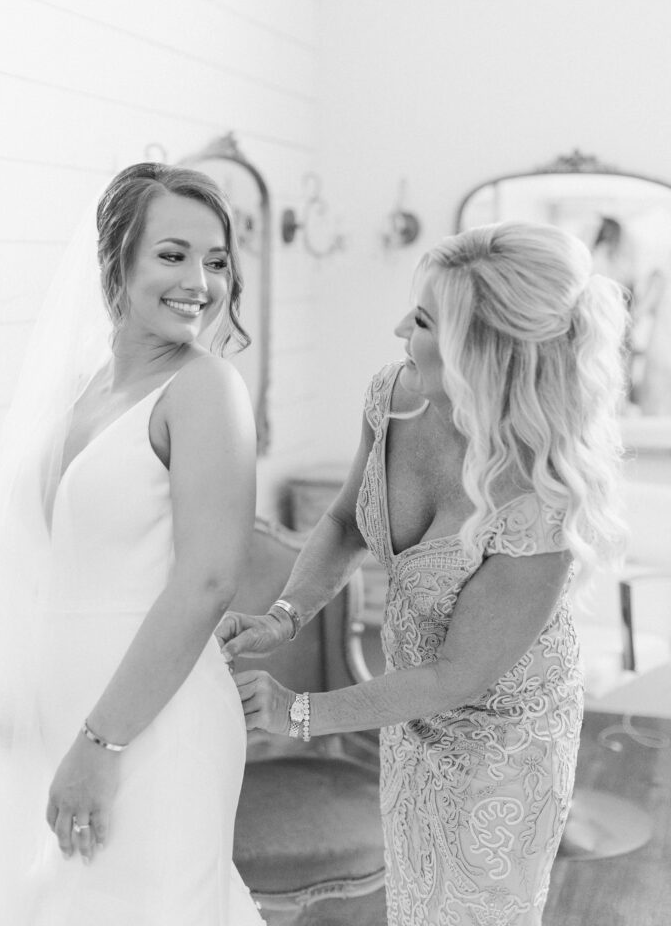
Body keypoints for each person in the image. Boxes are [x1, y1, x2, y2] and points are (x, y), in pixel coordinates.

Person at [217, 221, 627, 926]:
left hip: (505, 742)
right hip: (411, 719)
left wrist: (299, 712)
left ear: (482, 351)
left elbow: (456, 677)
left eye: (425, 319)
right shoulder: (395, 396)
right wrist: (283, 616)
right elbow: (346, 522)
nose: (399, 325)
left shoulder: (541, 504)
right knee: (414, 902)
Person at [0, 164, 264, 924]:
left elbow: (209, 581)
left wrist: (100, 746)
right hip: (52, 719)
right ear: (115, 261)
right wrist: (10, 695)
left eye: (216, 261)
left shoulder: (206, 389)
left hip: (146, 729)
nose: (200, 281)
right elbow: (40, 571)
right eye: (173, 254)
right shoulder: (86, 389)